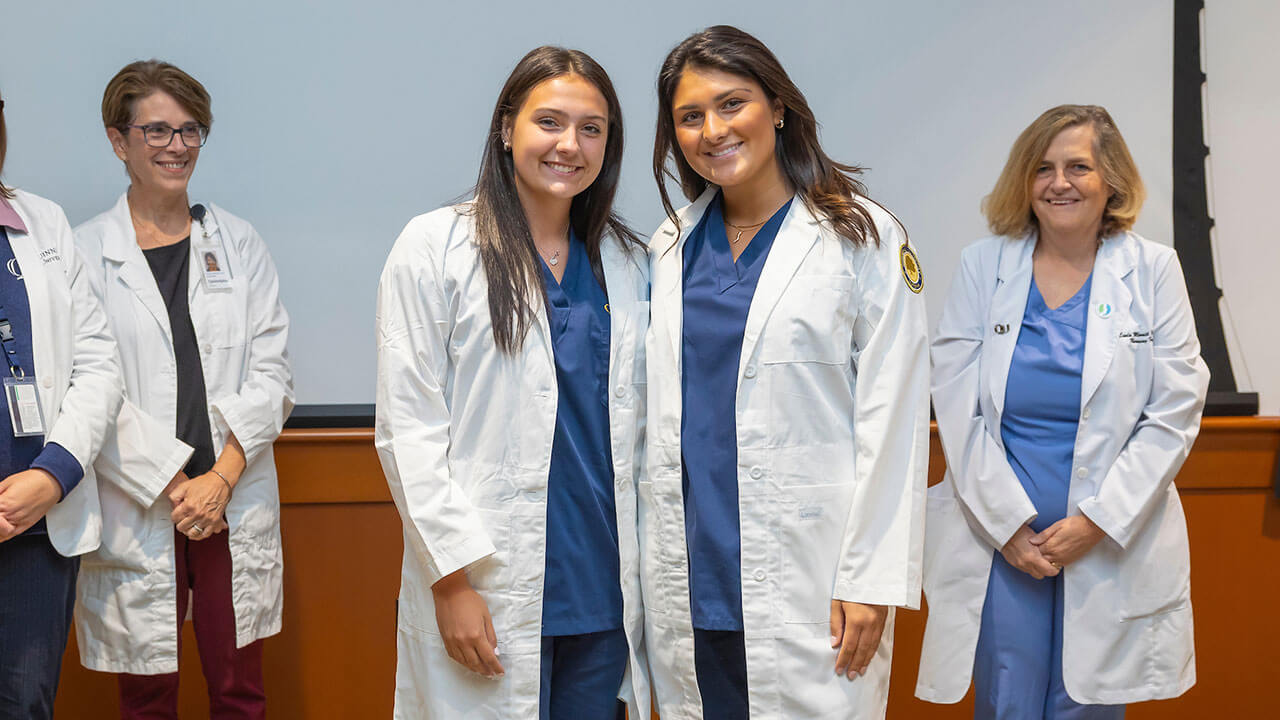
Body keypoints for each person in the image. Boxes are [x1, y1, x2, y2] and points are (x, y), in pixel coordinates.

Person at [642, 25, 930, 719]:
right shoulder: (668, 246)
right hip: (692, 572)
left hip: (812, 572)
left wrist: (871, 579)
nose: (713, 129)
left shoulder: (862, 237)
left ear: (777, 107)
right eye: (690, 116)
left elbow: (894, 418)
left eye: (732, 103)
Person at [375, 47, 651, 719]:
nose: (570, 144)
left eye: (592, 128)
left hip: (602, 591)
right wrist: (451, 582)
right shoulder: (435, 246)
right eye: (549, 122)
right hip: (488, 582)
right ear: (506, 130)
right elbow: (408, 430)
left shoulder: (630, 261)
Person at [917, 105, 1209, 718]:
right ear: (1025, 181)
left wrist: (1098, 522)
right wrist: (1007, 527)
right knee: (1007, 702)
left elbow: (1175, 409)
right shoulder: (984, 265)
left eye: (1079, 166)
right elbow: (957, 403)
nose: (1059, 182)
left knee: (1088, 703)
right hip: (1004, 543)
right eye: (1043, 168)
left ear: (1112, 181)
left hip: (1106, 539)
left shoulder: (1152, 270)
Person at [74, 60, 294, 719]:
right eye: (158, 131)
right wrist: (178, 487)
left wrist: (221, 478)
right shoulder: (84, 254)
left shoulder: (240, 243)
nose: (177, 146)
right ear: (119, 141)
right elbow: (89, 391)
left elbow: (273, 372)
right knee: (145, 696)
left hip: (231, 497)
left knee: (239, 691)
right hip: (142, 501)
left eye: (190, 130)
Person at [0, 88, 123, 720]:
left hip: (34, 527)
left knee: (26, 704)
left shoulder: (41, 222)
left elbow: (98, 363)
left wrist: (53, 475)